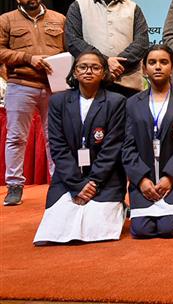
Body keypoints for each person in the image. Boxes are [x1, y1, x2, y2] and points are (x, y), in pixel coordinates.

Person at [33, 51, 127, 245]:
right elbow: (57, 146)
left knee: (98, 229)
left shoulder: (116, 102)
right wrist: (77, 184)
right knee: (56, 230)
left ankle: (119, 207)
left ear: (103, 73)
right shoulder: (58, 101)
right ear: (74, 73)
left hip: (105, 178)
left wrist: (93, 182)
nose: (88, 71)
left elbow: (113, 147)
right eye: (82, 67)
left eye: (95, 67)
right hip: (69, 178)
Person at [1, 0, 66, 206]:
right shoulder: (6, 20)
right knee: (16, 137)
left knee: (56, 137)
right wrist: (29, 59)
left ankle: (59, 183)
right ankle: (15, 185)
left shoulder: (59, 19)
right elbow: (0, 51)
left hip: (55, 87)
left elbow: (69, 50)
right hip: (21, 85)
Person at [122, 45, 173, 239]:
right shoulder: (132, 103)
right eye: (152, 62)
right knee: (142, 231)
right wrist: (141, 179)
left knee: (169, 228)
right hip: (144, 182)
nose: (158, 67)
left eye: (164, 62)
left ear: (172, 67)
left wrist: (169, 177)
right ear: (143, 67)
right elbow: (127, 146)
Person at [65, 0, 149, 97]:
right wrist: (104, 62)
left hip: (127, 83)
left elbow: (142, 42)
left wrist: (117, 65)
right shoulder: (78, 6)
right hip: (90, 83)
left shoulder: (133, 7)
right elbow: (73, 41)